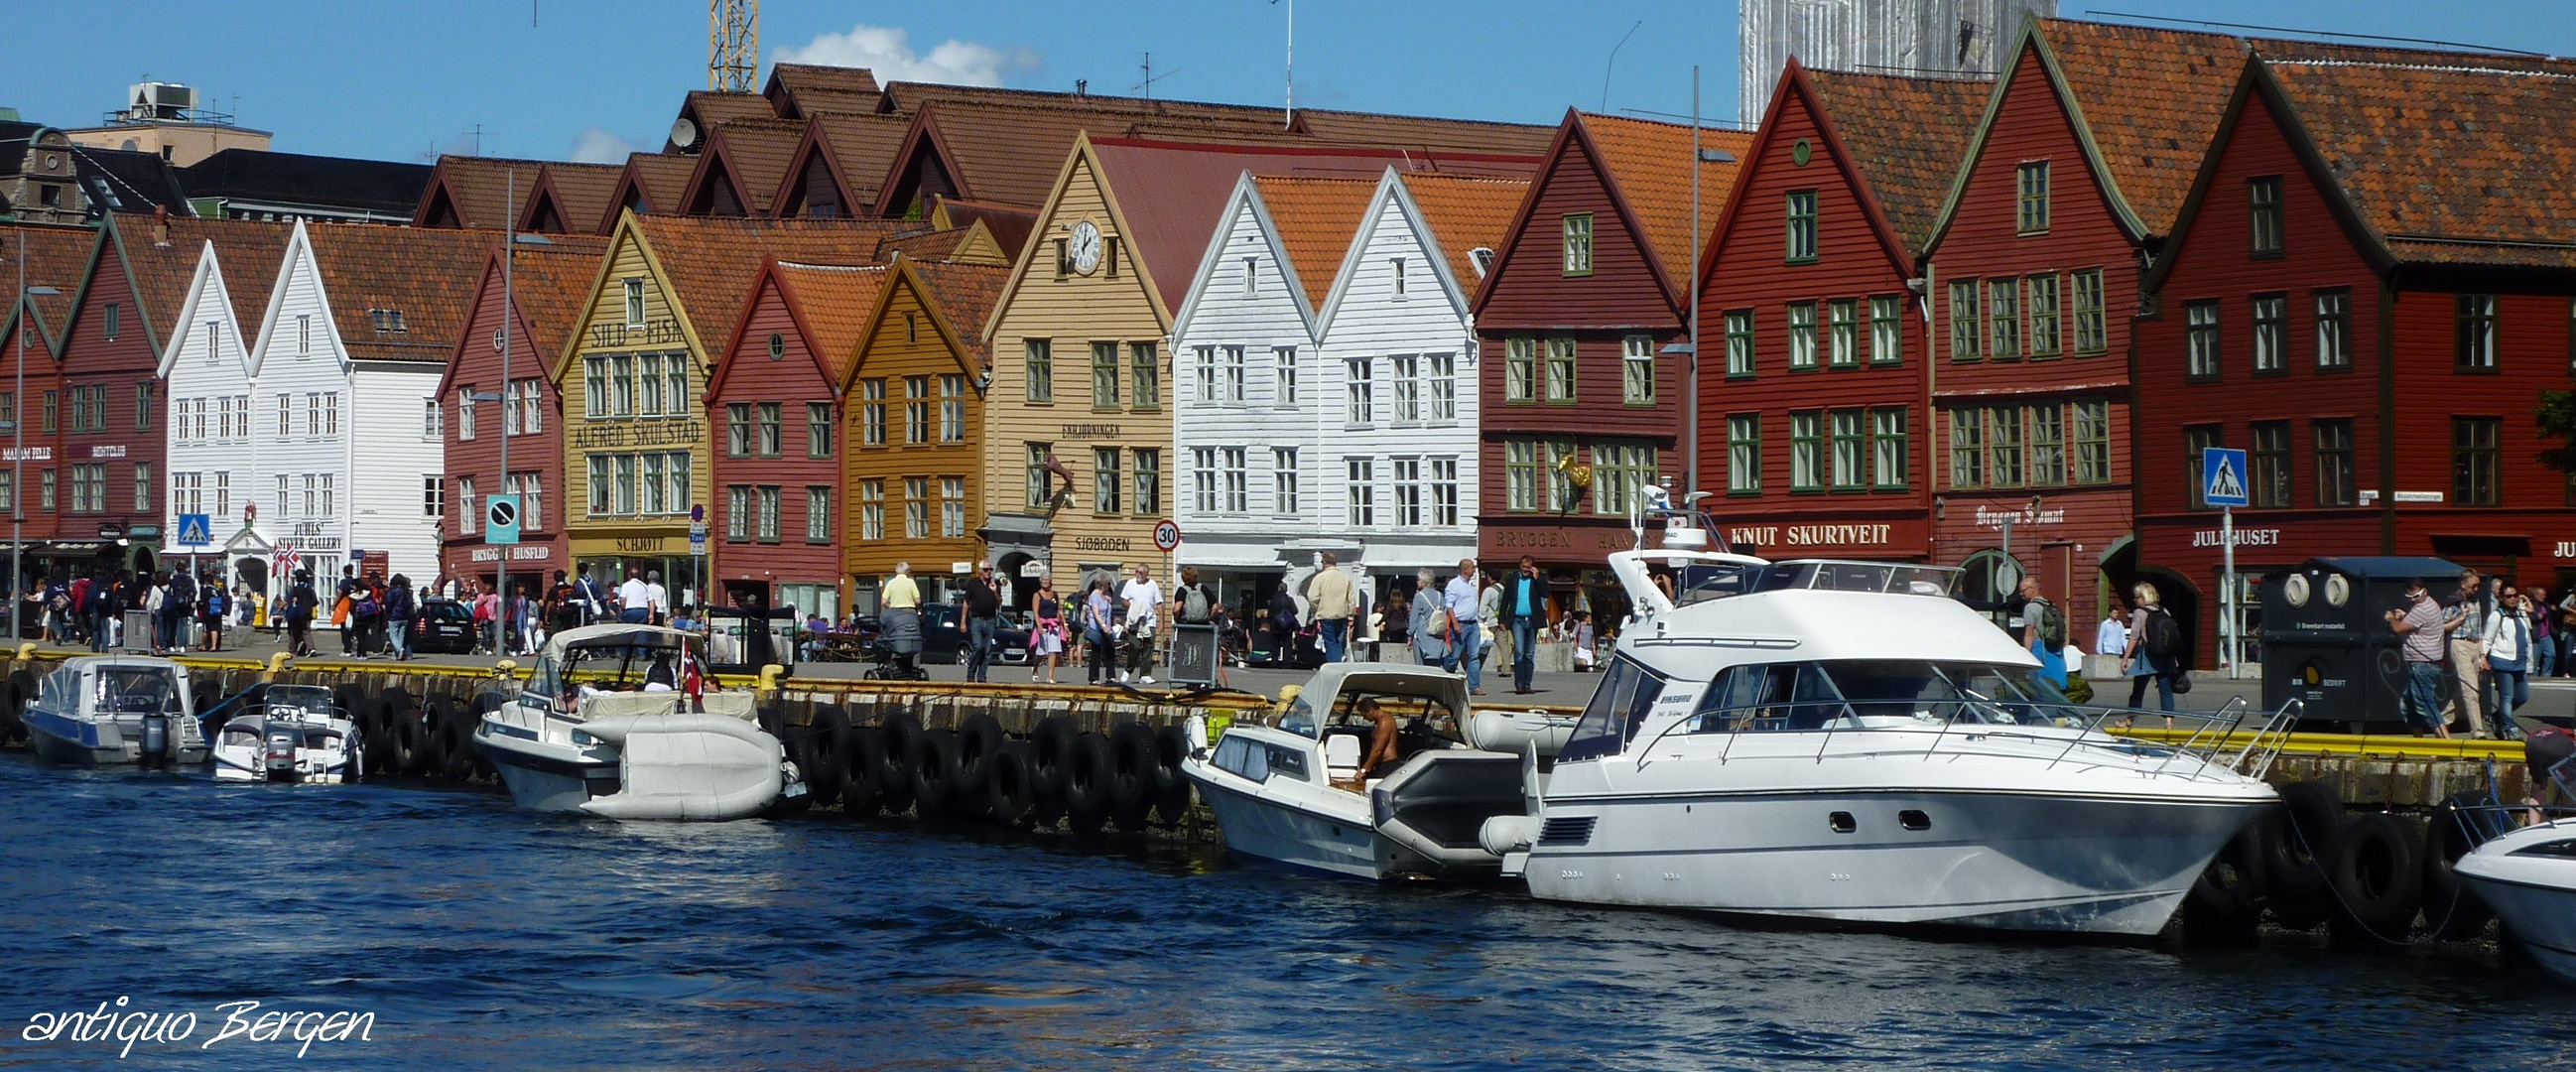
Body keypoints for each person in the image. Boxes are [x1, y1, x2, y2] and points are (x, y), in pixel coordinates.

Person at [2387, 577, 2454, 739]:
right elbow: (2416, 623)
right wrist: (2405, 616)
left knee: (2426, 704)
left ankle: (2448, 743)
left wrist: (2391, 618)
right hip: (2425, 663)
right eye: (2410, 598)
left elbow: (2398, 629)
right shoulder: (2431, 604)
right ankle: (2419, 741)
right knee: (2408, 704)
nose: (2414, 600)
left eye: (2417, 596)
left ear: (2425, 591)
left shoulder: (2422, 610)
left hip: (2423, 664)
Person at [2442, 569, 2490, 738]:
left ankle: (2440, 720)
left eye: (2477, 586)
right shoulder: (2453, 603)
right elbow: (2442, 626)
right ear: (2463, 584)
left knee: (2466, 689)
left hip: (2474, 645)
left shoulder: (2476, 601)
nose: (2476, 589)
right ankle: (2478, 732)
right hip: (2459, 643)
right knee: (2471, 689)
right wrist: (2460, 619)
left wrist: (2482, 655)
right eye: (2473, 586)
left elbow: (2479, 631)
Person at [2122, 582, 2179, 713]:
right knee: (2165, 688)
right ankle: (2169, 720)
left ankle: (2131, 717)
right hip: (2165, 654)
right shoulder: (2164, 610)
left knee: (2138, 689)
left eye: (2137, 597)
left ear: (2143, 597)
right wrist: (2174, 657)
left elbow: (2134, 636)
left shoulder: (2139, 612)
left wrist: (2125, 658)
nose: (2135, 600)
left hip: (2147, 654)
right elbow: (2171, 637)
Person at [2486, 586, 2533, 740]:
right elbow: (2487, 638)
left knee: (2522, 696)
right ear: (2501, 598)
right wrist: (2482, 658)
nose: (2512, 599)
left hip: (2519, 661)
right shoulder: (2496, 616)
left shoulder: (2521, 614)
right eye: (2508, 596)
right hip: (2502, 659)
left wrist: (2530, 664)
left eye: (2515, 595)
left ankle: (2496, 718)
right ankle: (2511, 730)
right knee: (2506, 697)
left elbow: (2528, 638)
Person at [1497, 557, 1546, 695]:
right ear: (1520, 566)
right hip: (1517, 620)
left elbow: (1545, 593)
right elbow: (1505, 599)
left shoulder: (1536, 580)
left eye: (1528, 567)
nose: (1526, 570)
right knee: (1519, 652)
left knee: (1529, 654)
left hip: (1532, 620)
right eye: (1524, 567)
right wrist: (1502, 620)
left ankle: (1527, 684)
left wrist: (1538, 578)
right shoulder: (1513, 580)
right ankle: (1519, 684)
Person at [1305, 553, 1355, 663]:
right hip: (1342, 614)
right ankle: (1338, 661)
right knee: (1339, 641)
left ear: (1324, 563)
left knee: (1330, 642)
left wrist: (1316, 610)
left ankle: (1334, 664)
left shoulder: (1320, 577)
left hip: (1326, 614)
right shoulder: (1345, 578)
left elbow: (1311, 596)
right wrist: (1351, 614)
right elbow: (1351, 599)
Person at [2017, 577, 2068, 689]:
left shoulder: (2030, 607)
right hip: (2056, 652)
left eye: (2023, 591)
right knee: (2058, 689)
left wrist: (2026, 656)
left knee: (2039, 688)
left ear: (2032, 589)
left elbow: (2029, 634)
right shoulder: (2052, 605)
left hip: (2040, 651)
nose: (2021, 594)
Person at [1118, 562, 1163, 684]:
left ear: (1146, 574)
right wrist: (1134, 607)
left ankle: (1145, 674)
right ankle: (1129, 669)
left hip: (1149, 621)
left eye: (1141, 572)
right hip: (1135, 621)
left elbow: (1159, 603)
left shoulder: (1153, 585)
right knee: (1135, 646)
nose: (1138, 574)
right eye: (1136, 571)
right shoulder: (1130, 583)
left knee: (1149, 647)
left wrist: (1162, 622)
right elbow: (1124, 601)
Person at [1445, 559, 1484, 695]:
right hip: (1460, 624)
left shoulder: (1471, 585)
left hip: (1473, 624)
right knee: (1454, 656)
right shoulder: (1453, 585)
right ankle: (1445, 679)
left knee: (1474, 656)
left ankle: (1474, 686)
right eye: (1472, 568)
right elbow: (1449, 606)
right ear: (1465, 570)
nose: (1474, 570)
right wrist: (1455, 623)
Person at [962, 561, 1003, 684]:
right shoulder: (973, 584)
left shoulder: (994, 584)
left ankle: (982, 677)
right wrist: (963, 622)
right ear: (980, 571)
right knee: (978, 647)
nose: (988, 572)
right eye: (985, 570)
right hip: (976, 620)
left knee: (987, 651)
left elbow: (1000, 602)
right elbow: (966, 603)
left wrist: (995, 591)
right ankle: (971, 674)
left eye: (990, 569)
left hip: (990, 620)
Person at [880, 563, 923, 677]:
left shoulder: (891, 583)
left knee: (895, 637)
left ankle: (893, 664)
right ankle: (914, 666)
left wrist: (893, 605)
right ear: (907, 571)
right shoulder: (910, 582)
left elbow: (883, 602)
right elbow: (918, 600)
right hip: (910, 613)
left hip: (894, 615)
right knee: (913, 638)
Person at [1029, 577, 1068, 684]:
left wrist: (1064, 623)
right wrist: (1039, 625)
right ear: (1040, 582)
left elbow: (1059, 610)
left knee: (1053, 651)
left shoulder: (1055, 594)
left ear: (1051, 582)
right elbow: (1035, 612)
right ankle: (1035, 668)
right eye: (1043, 580)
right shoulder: (1037, 595)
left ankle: (1050, 676)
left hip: (1054, 625)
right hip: (1043, 624)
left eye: (1047, 580)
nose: (1045, 582)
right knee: (1041, 653)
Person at [1409, 569, 1451, 668]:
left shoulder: (1419, 596)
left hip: (1423, 634)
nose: (1417, 582)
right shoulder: (1440, 595)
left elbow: (1413, 618)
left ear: (1424, 582)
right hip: (1438, 634)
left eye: (1418, 579)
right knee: (1435, 667)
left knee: (1421, 667)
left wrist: (1410, 635)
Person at [1084, 576, 1118, 686]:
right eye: (1108, 583)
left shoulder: (1105, 595)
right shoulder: (1094, 596)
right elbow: (1096, 613)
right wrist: (1103, 625)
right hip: (1098, 628)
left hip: (1107, 628)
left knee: (1110, 650)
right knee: (1097, 652)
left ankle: (1111, 676)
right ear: (1101, 584)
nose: (1109, 586)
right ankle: (1093, 678)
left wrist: (1108, 600)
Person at [1355, 698, 1400, 780]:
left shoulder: (1384, 722)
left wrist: (1364, 769)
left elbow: (1378, 749)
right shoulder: (1378, 721)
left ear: (1372, 710)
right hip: (1380, 765)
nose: (1364, 718)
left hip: (1387, 766)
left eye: (1365, 715)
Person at [285, 569, 319, 658]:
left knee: (294, 632)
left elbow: (291, 599)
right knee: (306, 631)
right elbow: (315, 601)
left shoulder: (296, 588)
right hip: (308, 612)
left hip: (298, 613)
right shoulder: (309, 588)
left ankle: (292, 650)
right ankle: (311, 648)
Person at [385, 574, 417, 661]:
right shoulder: (407, 591)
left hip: (394, 616)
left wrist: (389, 612)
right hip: (405, 617)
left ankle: (400, 650)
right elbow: (410, 603)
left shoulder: (392, 591)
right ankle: (396, 655)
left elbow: (388, 602)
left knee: (393, 636)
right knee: (401, 636)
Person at [2532, 586, 2557, 680]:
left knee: (2551, 654)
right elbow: (2528, 617)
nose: (2543, 597)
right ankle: (2534, 676)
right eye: (2541, 595)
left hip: (2546, 634)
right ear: (2536, 595)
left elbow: (2553, 616)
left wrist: (2554, 610)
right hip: (2536, 635)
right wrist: (2536, 617)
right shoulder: (2532, 605)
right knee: (2536, 658)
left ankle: (2546, 674)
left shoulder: (2546, 605)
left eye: (2544, 595)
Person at [2096, 601, 2128, 669]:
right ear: (2110, 613)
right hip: (2108, 650)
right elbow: (2101, 638)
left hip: (2118, 650)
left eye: (2117, 613)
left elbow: (2123, 638)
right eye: (2114, 613)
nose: (2116, 615)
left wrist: (2126, 649)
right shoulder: (2105, 624)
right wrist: (2100, 651)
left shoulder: (2120, 624)